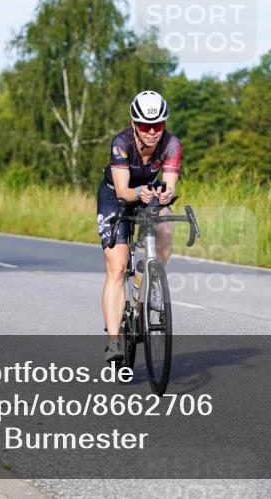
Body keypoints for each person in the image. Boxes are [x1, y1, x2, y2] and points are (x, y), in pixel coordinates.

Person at [98, 91, 181, 362]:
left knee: (166, 226)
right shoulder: (121, 143)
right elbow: (123, 190)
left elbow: (167, 186)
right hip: (116, 196)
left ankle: (146, 278)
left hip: (148, 193)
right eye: (146, 126)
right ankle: (114, 341)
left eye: (158, 125)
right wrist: (142, 193)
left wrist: (165, 195)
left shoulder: (171, 144)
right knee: (118, 266)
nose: (152, 132)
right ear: (134, 124)